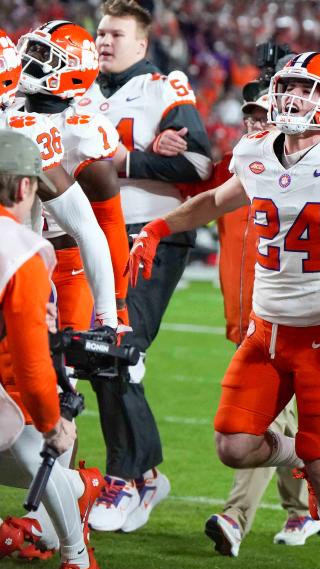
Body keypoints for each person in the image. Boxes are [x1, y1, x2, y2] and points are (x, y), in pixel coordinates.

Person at [127, 51, 320, 569]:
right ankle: (301, 455)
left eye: (304, 90)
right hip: (265, 331)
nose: (290, 100)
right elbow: (215, 200)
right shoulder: (256, 150)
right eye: (287, 88)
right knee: (233, 445)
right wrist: (158, 227)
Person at [77, 0, 214, 534]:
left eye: (116, 34)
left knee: (116, 348)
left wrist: (126, 160)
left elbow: (198, 163)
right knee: (88, 354)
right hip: (88, 237)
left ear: (141, 43)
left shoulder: (165, 87)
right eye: (101, 33)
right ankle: (144, 472)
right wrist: (140, 151)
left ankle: (126, 476)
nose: (104, 41)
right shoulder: (78, 87)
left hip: (148, 238)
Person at [200, 89, 319, 555]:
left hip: (282, 325)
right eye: (248, 118)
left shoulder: (297, 179)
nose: (253, 126)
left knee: (256, 425)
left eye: (261, 117)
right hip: (244, 327)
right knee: (280, 430)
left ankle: (235, 517)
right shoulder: (239, 172)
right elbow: (198, 195)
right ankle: (302, 508)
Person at [0, 130, 104, 569]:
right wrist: (51, 420)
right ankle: (81, 493)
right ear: (26, 188)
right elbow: (30, 354)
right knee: (38, 442)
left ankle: (77, 560)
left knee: (28, 444)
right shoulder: (20, 248)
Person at [17, 21, 129, 334]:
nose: (28, 60)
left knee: (61, 366)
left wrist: (116, 308)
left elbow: (103, 225)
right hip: (20, 248)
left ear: (73, 71)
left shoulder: (82, 131)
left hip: (66, 257)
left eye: (42, 55)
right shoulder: (11, 111)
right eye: (30, 50)